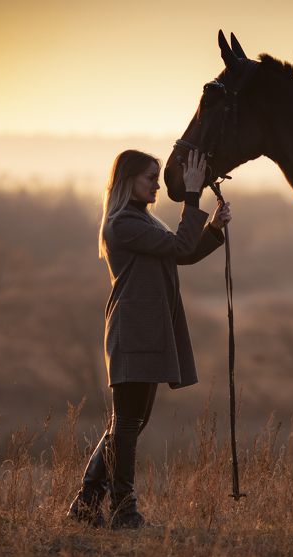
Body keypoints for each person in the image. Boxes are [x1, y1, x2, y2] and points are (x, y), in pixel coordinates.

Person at [66, 148, 230, 529]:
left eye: (157, 178)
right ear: (128, 181)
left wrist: (212, 230)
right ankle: (123, 510)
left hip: (149, 332)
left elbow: (179, 253)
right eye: (150, 178)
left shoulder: (143, 220)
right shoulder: (123, 222)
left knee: (130, 423)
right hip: (133, 332)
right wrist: (192, 194)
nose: (157, 185)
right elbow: (179, 247)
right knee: (126, 424)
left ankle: (87, 505)